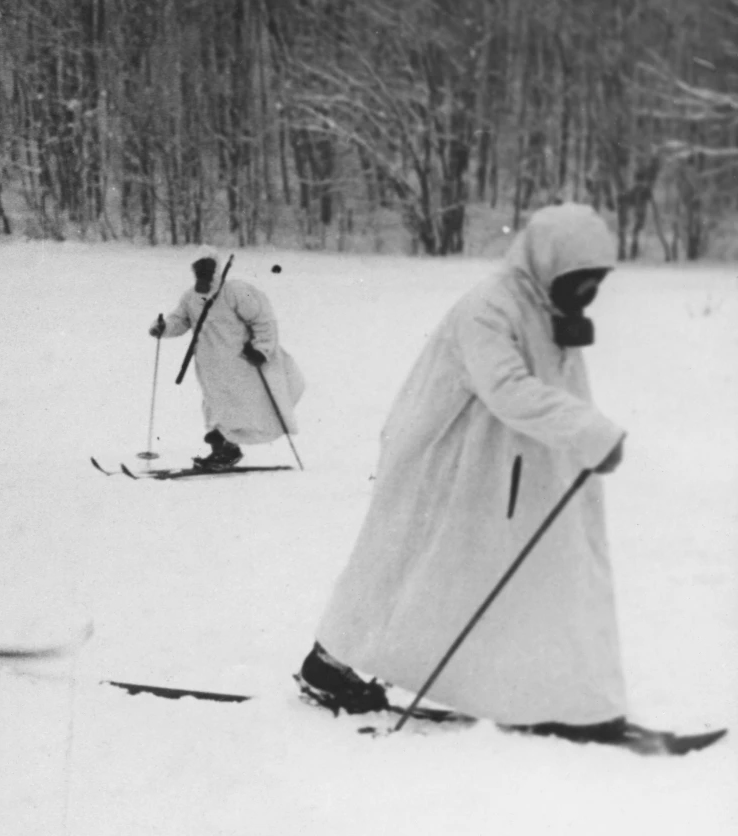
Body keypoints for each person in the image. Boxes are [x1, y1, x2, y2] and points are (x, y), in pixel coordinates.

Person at [301, 204, 632, 743]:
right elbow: (507, 388)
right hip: (441, 458)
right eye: (580, 280)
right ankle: (328, 662)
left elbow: (556, 385)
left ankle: (539, 691)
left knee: (483, 575)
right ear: (549, 262)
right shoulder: (490, 308)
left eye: (596, 283)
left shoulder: (543, 303)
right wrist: (589, 433)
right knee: (406, 562)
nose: (588, 293)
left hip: (500, 462)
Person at [149, 247, 304, 469]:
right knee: (215, 406)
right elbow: (180, 321)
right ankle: (224, 450)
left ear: (216, 269)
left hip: (241, 362)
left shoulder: (237, 291)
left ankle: (227, 450)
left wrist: (262, 348)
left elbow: (264, 319)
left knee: (240, 405)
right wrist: (163, 328)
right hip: (209, 364)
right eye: (199, 269)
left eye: (207, 268)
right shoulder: (190, 297)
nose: (203, 274)